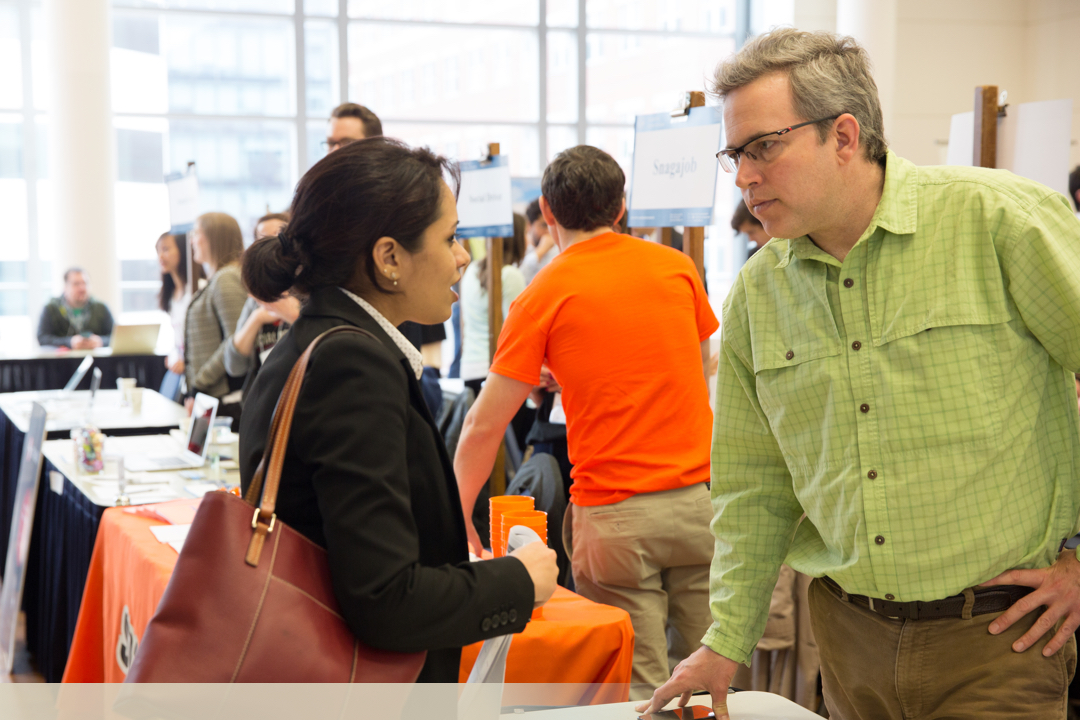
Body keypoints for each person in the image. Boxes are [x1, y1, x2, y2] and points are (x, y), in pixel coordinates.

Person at [638, 28, 1080, 720]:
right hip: (849, 646)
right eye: (735, 155)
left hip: (999, 641)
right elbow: (755, 489)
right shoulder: (760, 294)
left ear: (844, 136)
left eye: (763, 147)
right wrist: (726, 640)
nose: (745, 175)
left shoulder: (997, 223)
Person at [238, 136, 557, 683]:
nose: (463, 257)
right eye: (450, 238)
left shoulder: (319, 343)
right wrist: (518, 581)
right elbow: (386, 598)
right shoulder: (351, 366)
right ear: (389, 258)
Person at [454, 145, 719, 700]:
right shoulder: (676, 266)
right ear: (621, 206)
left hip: (615, 512)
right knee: (712, 677)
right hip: (699, 502)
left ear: (547, 213)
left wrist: (458, 514)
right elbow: (698, 365)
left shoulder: (543, 292)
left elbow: (484, 424)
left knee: (643, 689)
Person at [224, 213, 300, 408]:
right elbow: (234, 365)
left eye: (277, 234)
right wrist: (257, 317)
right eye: (262, 237)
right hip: (262, 403)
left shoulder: (305, 289)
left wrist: (288, 313)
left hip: (298, 399)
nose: (272, 243)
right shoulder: (256, 297)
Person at [184, 212, 248, 420]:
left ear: (215, 236)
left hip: (224, 395)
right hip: (212, 394)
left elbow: (235, 340)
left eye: (196, 232)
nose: (192, 239)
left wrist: (200, 382)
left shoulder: (226, 279)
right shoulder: (218, 278)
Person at [460, 213, 527, 391]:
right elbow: (515, 329)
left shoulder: (472, 270)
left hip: (469, 365)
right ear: (518, 239)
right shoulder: (510, 275)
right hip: (495, 368)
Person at [156, 231, 203, 376]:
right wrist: (174, 357)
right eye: (158, 251)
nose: (161, 256)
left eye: (166, 249)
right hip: (184, 374)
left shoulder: (200, 288)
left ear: (183, 249)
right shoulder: (171, 295)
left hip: (199, 371)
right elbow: (178, 342)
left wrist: (188, 362)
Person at [37, 268, 114, 349]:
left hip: (96, 360)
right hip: (63, 360)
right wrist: (69, 342)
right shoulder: (51, 309)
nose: (82, 288)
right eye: (76, 284)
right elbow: (42, 339)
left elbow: (116, 337)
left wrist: (101, 341)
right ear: (66, 287)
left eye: (85, 283)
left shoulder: (101, 308)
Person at [519, 198, 558, 283]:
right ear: (529, 226)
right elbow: (517, 280)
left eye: (551, 225)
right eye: (543, 225)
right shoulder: (521, 252)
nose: (548, 231)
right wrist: (539, 252)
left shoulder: (558, 252)